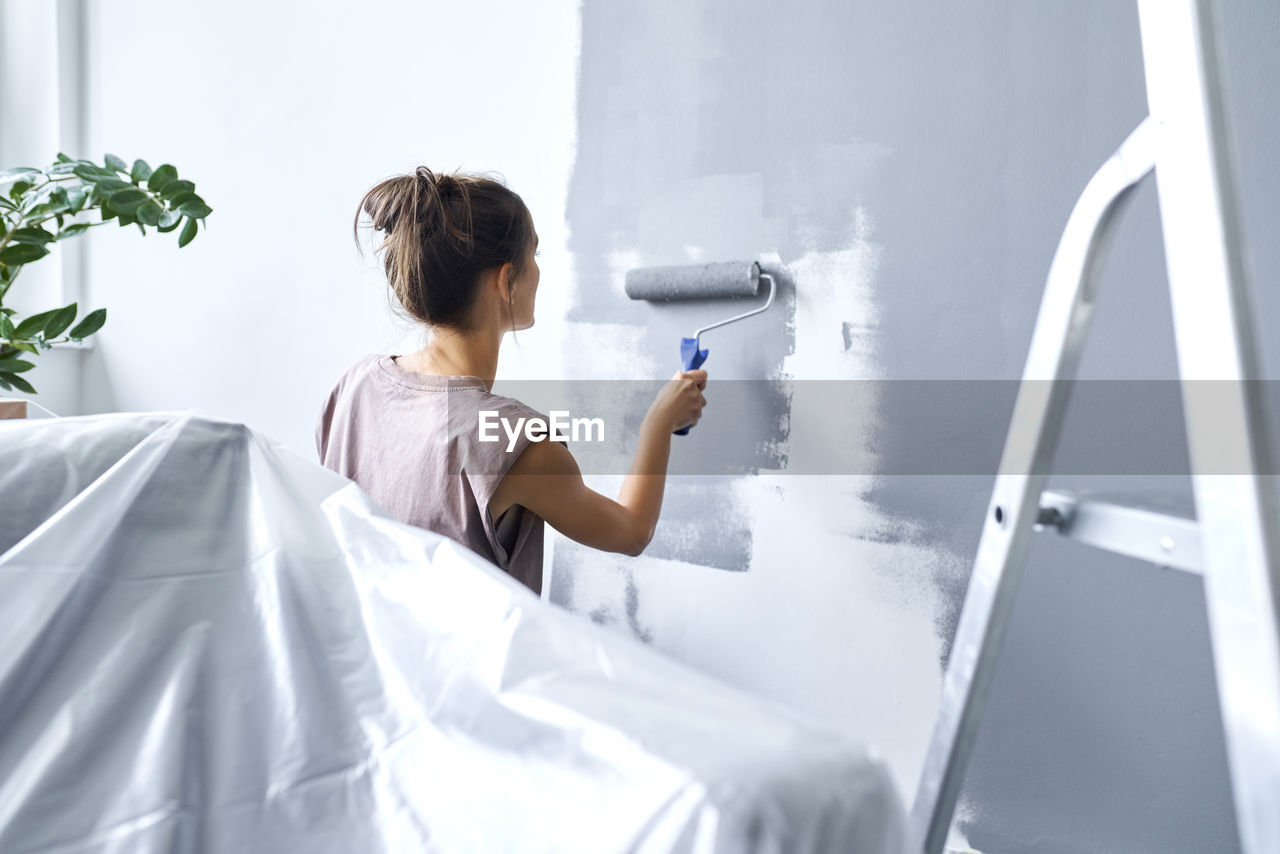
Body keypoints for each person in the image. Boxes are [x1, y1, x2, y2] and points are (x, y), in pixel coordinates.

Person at [316, 167, 707, 596]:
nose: (538, 271)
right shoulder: (516, 443)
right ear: (506, 281)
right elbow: (630, 531)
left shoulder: (354, 386)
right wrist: (658, 424)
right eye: (534, 256)